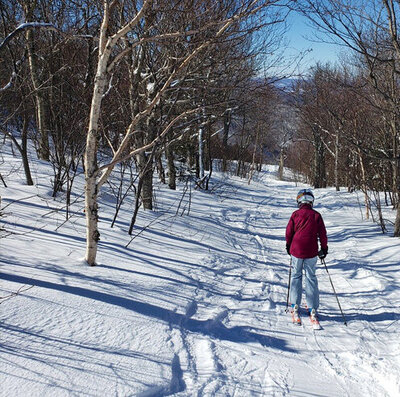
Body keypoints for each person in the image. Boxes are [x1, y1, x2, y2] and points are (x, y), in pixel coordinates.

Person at [285, 188, 328, 325]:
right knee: (311, 277)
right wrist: (324, 249)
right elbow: (322, 234)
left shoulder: (295, 214)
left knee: (296, 276)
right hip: (311, 251)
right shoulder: (316, 215)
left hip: (296, 250)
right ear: (311, 201)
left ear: (299, 201)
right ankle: (312, 307)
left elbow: (288, 232)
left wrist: (288, 245)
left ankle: (295, 305)